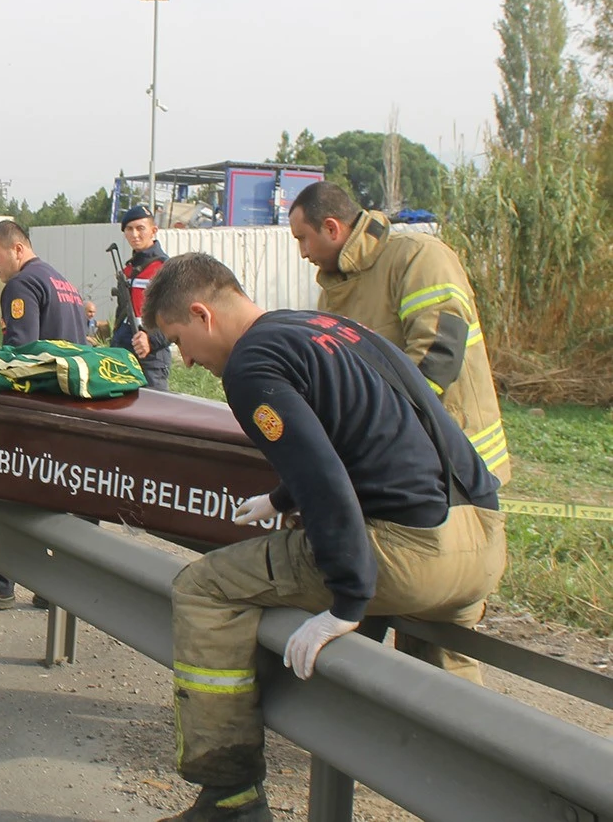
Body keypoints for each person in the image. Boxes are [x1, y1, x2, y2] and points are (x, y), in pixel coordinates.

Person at [141, 253, 504, 822]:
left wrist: (347, 601)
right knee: (447, 685)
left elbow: (325, 477)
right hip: (481, 538)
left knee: (202, 588)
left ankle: (229, 798)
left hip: (410, 554)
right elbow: (372, 429)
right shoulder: (325, 328)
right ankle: (499, 798)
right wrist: (280, 499)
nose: (185, 358)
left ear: (201, 313)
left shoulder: (250, 366)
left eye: (178, 339)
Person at [288, 181, 509, 486]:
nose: (302, 253)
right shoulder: (332, 293)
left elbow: (437, 358)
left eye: (303, 239)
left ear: (331, 228)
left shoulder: (419, 259)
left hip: (459, 462)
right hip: (402, 464)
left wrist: (375, 429)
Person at [0, 220, 86, 611]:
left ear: (18, 249)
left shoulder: (22, 285)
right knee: (53, 501)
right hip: (68, 411)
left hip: (35, 413)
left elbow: (20, 358)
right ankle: (52, 585)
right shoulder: (62, 281)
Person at [111, 203, 172, 392]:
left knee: (154, 415)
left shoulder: (165, 268)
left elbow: (177, 317)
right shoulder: (128, 269)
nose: (134, 234)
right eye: (129, 229)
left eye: (140, 228)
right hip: (123, 350)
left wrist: (150, 340)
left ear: (153, 230)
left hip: (151, 357)